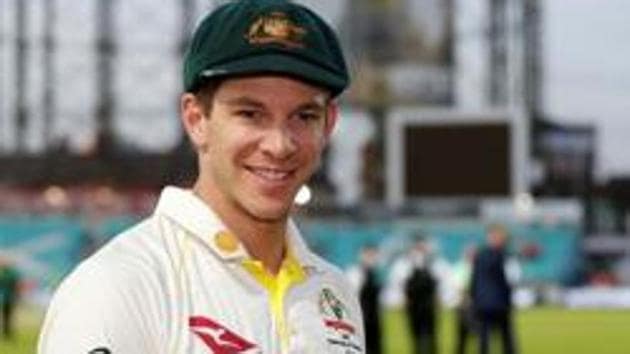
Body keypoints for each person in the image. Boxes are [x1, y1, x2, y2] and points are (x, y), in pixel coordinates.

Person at [38, 1, 365, 353]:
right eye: (250, 114)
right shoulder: (117, 287)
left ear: (329, 124)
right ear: (196, 119)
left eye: (304, 116)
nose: (279, 144)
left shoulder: (334, 292)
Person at [470, 224, 517, 354]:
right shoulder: (505, 256)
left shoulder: (480, 255)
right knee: (505, 337)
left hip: (483, 302)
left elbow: (474, 281)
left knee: (485, 337)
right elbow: (511, 279)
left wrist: (474, 299)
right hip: (499, 303)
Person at [404, 237, 439, 354]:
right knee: (416, 334)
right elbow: (406, 286)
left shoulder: (431, 263)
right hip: (415, 306)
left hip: (427, 305)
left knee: (430, 334)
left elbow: (434, 283)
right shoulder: (407, 264)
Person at [347, 245, 383, 354]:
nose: (371, 258)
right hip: (360, 315)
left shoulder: (376, 273)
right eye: (368, 255)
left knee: (376, 344)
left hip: (374, 316)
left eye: (373, 255)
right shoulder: (354, 272)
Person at [0, 255, 20, 340]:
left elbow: (15, 286)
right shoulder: (9, 273)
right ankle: (6, 333)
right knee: (7, 317)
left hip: (7, 298)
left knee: (7, 316)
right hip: (6, 298)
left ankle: (7, 333)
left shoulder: (6, 274)